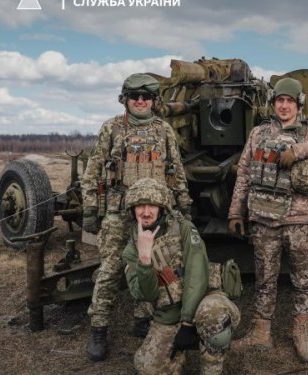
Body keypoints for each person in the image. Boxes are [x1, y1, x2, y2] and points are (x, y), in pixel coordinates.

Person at [227, 77, 308, 362]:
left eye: (289, 101)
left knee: (303, 279)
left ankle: (300, 331)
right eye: (279, 100)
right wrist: (235, 211)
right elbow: (243, 173)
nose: (283, 106)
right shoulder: (258, 133)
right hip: (264, 218)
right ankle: (260, 333)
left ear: (298, 105)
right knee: (265, 279)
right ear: (273, 103)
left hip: (299, 222)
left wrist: (301, 150)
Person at [81, 73, 191, 361]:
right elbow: (92, 171)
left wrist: (184, 204)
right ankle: (99, 328)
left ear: (154, 100)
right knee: (110, 270)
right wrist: (91, 209)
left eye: (145, 96)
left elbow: (175, 170)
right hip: (119, 212)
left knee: (152, 264)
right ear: (125, 99)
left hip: (152, 213)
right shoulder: (112, 128)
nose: (140, 101)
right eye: (134, 96)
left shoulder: (164, 130)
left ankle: (143, 320)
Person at [122, 178, 240, 375]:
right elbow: (145, 294)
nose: (146, 212)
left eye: (152, 205)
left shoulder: (183, 228)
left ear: (162, 208)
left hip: (204, 298)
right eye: (140, 206)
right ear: (132, 210)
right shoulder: (131, 249)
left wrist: (187, 322)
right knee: (149, 369)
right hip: (168, 313)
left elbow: (197, 274)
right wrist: (144, 259)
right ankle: (178, 358)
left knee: (213, 317)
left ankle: (212, 368)